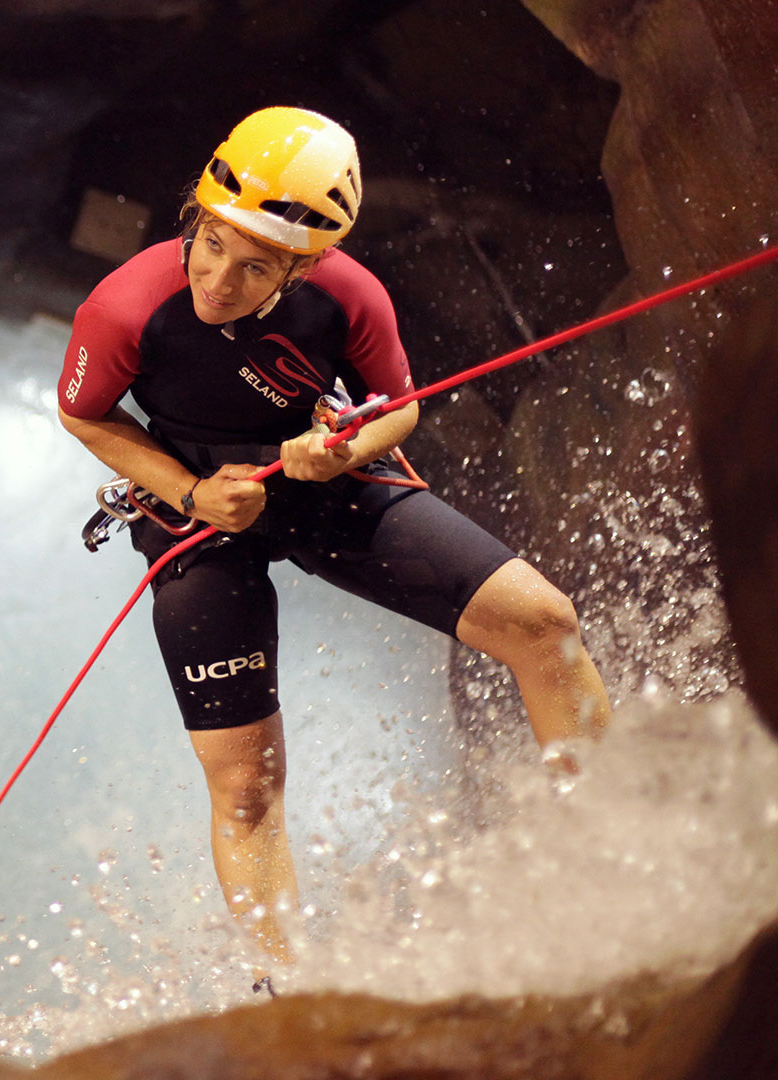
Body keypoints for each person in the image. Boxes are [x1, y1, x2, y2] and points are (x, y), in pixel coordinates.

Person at [55, 106, 611, 980]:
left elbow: (401, 406)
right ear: (194, 217)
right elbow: (83, 413)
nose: (219, 281)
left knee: (545, 624)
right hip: (198, 515)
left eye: (256, 266)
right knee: (245, 787)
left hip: (320, 486)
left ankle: (609, 856)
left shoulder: (350, 295)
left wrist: (346, 447)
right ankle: (289, 989)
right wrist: (191, 491)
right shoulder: (126, 306)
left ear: (307, 264)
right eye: (211, 244)